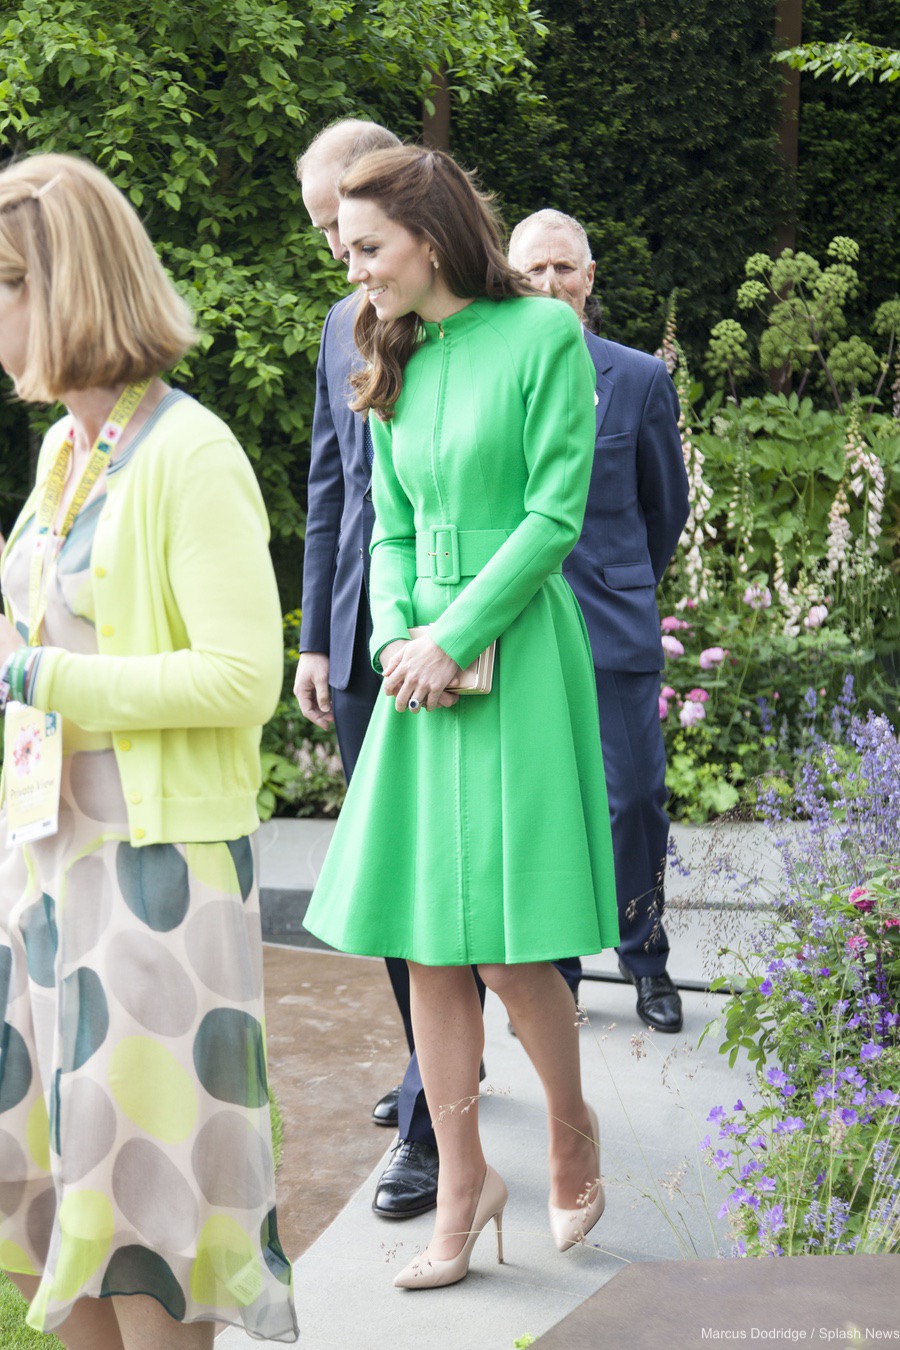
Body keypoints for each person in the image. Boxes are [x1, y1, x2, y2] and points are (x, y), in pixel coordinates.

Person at [303, 146, 619, 1289]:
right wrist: (397, 640)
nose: (356, 273)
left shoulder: (542, 334)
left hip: (517, 653)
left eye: (369, 250)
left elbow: (554, 514)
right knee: (429, 941)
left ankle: (573, 1131)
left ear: (431, 237)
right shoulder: (392, 350)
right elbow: (385, 526)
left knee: (505, 946)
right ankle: (463, 1182)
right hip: (417, 669)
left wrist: (457, 636)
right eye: (348, 253)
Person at [0, 153, 298, 1347]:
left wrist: (42, 675)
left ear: (66, 288)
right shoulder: (66, 455)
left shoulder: (191, 452)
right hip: (52, 868)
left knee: (149, 1219)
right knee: (70, 1214)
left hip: (155, 881)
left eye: (4, 282)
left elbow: (244, 680)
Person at [294, 119, 486, 1223]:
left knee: (458, 881)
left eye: (347, 228)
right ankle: (430, 1075)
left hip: (459, 639)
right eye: (323, 232)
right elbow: (333, 486)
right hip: (363, 640)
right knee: (388, 882)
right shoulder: (339, 326)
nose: (337, 255)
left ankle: (434, 1121)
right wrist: (319, 637)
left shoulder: (480, 327)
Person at [508, 209, 690, 1032]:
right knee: (548, 802)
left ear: (590, 278)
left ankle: (644, 955)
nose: (549, 284)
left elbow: (665, 506)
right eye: (533, 270)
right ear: (510, 279)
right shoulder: (494, 372)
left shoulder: (640, 378)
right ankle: (559, 975)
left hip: (613, 619)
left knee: (636, 798)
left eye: (564, 268)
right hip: (524, 623)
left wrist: (625, 582)